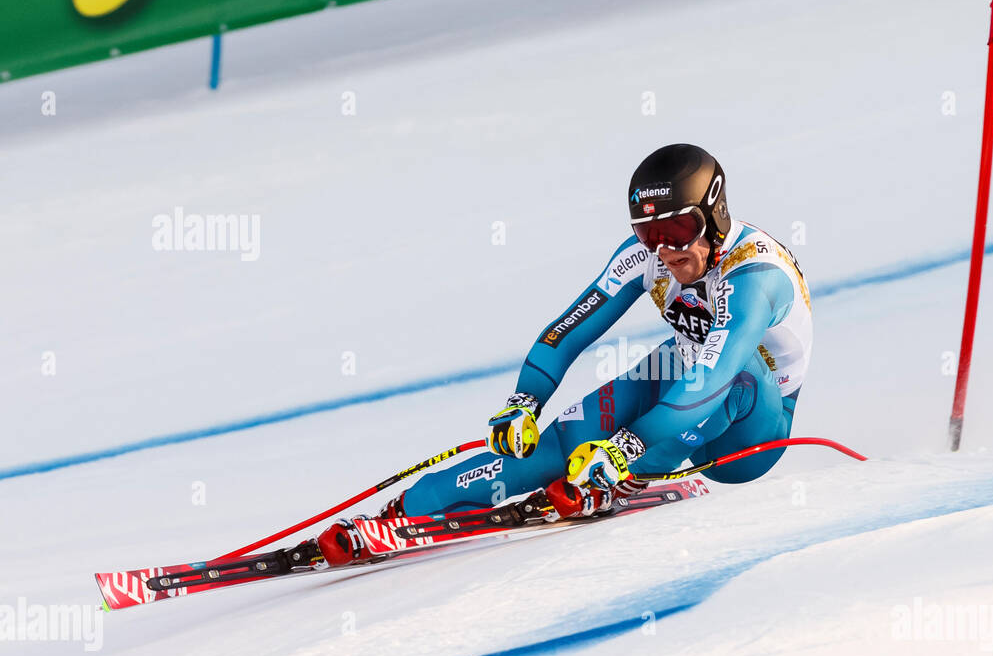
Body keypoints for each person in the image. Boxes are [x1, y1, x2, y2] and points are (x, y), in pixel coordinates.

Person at [315, 144, 813, 566]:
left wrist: (628, 446)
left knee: (732, 374)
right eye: (648, 233)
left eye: (678, 231)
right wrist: (524, 402)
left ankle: (624, 477)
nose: (664, 250)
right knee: (563, 440)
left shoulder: (755, 276)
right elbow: (566, 332)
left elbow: (714, 375)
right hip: (683, 385)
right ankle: (409, 509)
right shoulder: (648, 256)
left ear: (714, 217)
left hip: (750, 438)